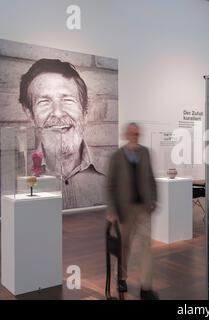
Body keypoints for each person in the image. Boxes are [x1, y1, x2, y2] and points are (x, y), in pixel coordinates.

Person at [19, 58, 106, 209]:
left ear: (85, 111)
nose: (57, 113)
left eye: (67, 100)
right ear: (30, 114)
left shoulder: (113, 171)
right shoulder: (12, 179)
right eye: (44, 102)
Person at [106, 122, 158, 300]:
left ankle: (146, 287)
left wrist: (153, 200)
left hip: (143, 209)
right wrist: (112, 210)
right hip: (124, 211)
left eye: (137, 134)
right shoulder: (116, 157)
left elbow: (150, 177)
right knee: (124, 247)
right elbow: (110, 185)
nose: (135, 137)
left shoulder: (145, 152)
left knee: (146, 247)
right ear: (126, 135)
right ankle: (120, 278)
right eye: (132, 134)